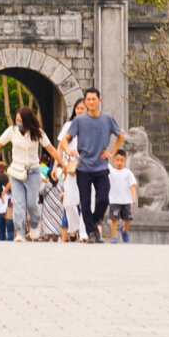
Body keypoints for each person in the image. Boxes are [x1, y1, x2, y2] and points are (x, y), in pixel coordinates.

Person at [0, 106, 60, 242]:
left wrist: (62, 164)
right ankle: (21, 233)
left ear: (28, 120)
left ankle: (35, 225)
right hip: (16, 171)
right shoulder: (12, 131)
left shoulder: (38, 132)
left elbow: (51, 149)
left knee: (31, 203)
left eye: (21, 120)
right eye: (17, 120)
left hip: (33, 171)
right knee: (18, 203)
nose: (18, 123)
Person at [57, 87, 125, 244]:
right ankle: (92, 233)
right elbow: (64, 139)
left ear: (99, 101)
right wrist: (69, 150)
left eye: (94, 99)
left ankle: (92, 224)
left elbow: (120, 135)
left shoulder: (107, 119)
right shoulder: (79, 121)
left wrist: (112, 153)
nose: (91, 102)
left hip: (101, 167)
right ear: (85, 102)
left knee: (103, 199)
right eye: (88, 99)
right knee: (85, 202)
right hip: (83, 168)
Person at [58, 98, 87, 241]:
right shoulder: (69, 125)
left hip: (88, 164)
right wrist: (58, 163)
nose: (79, 111)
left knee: (85, 200)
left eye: (82, 108)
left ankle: (83, 232)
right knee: (68, 202)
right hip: (71, 166)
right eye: (77, 108)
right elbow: (61, 144)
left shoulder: (91, 124)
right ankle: (75, 226)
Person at [108, 150, 138, 243]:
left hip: (126, 200)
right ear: (113, 161)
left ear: (125, 161)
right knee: (114, 219)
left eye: (122, 160)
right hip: (114, 200)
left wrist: (134, 196)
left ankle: (124, 230)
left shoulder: (128, 172)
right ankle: (114, 237)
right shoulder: (111, 172)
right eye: (117, 160)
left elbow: (132, 185)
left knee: (128, 218)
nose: (119, 162)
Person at [0, 174, 11, 241]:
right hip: (7, 211)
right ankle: (9, 241)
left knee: (1, 230)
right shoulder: (9, 190)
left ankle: (2, 242)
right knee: (10, 229)